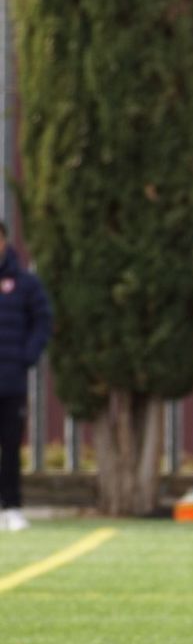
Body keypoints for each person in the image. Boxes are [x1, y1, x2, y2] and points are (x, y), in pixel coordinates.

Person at [0, 219, 52, 532]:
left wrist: (27, 357)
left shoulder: (25, 283)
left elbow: (43, 320)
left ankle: (12, 507)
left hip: (10, 380)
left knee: (10, 446)